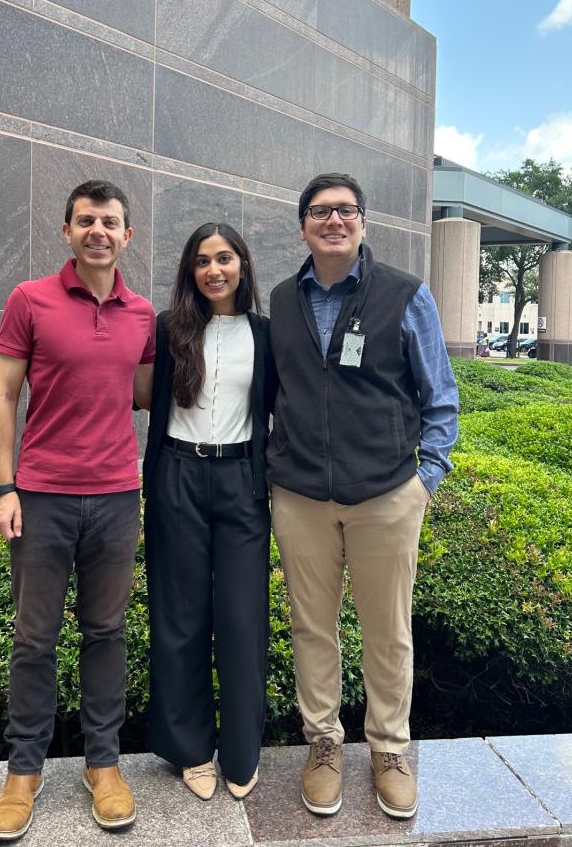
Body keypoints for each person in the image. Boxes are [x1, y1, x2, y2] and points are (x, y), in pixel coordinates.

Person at [267, 173, 458, 820]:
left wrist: (424, 481)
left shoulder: (405, 294)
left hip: (386, 494)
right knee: (312, 627)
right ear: (302, 226)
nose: (334, 220)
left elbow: (440, 396)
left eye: (346, 210)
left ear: (363, 222)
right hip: (301, 497)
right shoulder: (282, 300)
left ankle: (389, 749)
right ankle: (323, 743)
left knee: (388, 630)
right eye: (320, 211)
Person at [0, 180, 155, 841]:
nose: (98, 232)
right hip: (42, 498)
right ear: (67, 231)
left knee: (106, 633)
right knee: (35, 639)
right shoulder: (29, 300)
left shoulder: (141, 314)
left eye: (109, 222)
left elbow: (147, 392)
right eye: (86, 221)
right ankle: (22, 771)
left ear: (127, 236)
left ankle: (103, 765)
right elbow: (3, 394)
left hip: (115, 497)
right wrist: (4, 488)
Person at [140, 223, 276, 802]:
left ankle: (242, 753)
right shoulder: (168, 328)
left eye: (224, 258)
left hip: (242, 479)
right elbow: (137, 392)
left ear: (242, 264)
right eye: (202, 261)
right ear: (189, 272)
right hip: (177, 474)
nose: (213, 270)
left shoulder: (267, 334)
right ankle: (191, 749)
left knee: (243, 619)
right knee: (180, 616)